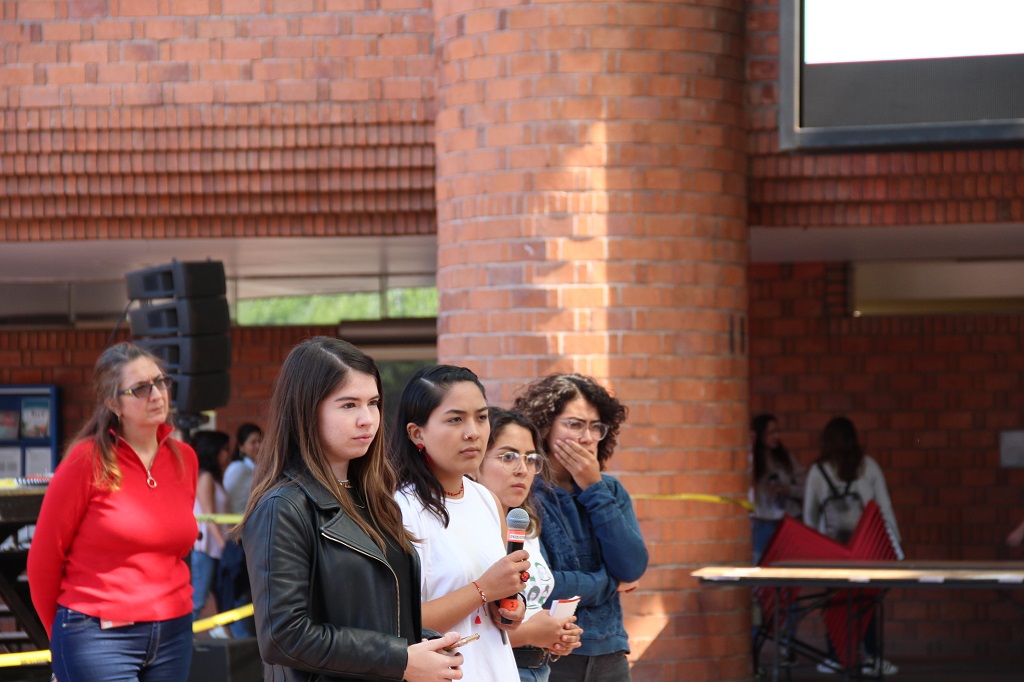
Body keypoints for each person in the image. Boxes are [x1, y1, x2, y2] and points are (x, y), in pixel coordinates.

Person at [236, 336, 464, 681]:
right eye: (348, 405)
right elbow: (284, 637)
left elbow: (373, 617)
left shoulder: (373, 496)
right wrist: (400, 658)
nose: (367, 419)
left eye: (373, 403)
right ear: (306, 411)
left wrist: (423, 645)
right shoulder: (283, 507)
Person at [27, 342, 197, 682]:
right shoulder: (86, 460)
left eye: (160, 382)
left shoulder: (185, 458)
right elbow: (43, 562)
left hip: (173, 632)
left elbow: (174, 549)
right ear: (113, 403)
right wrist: (59, 639)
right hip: (96, 635)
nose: (157, 395)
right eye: (140, 388)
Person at [390, 365, 529, 682]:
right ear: (417, 433)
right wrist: (483, 589)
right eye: (455, 419)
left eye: (481, 417)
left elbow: (495, 597)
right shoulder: (399, 509)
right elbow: (397, 624)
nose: (473, 432)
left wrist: (511, 607)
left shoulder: (487, 500)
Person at [512, 374, 647, 682]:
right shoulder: (523, 492)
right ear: (544, 427)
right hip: (549, 655)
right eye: (574, 424)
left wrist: (593, 487)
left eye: (596, 426)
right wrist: (609, 583)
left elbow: (631, 567)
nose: (587, 437)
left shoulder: (610, 490)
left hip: (610, 652)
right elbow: (543, 585)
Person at [472, 407, 584, 682]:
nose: (522, 470)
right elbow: (459, 625)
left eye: (531, 459)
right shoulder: (463, 529)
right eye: (508, 457)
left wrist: (556, 633)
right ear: (475, 461)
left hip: (537, 670)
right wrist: (530, 633)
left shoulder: (525, 524)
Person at [803, 416, 900, 676]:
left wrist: (813, 550)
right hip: (866, 548)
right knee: (866, 602)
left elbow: (809, 515)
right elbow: (884, 508)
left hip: (831, 550)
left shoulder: (818, 471)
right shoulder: (869, 467)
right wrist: (894, 545)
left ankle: (836, 656)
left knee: (834, 602)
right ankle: (871, 657)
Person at [218, 421, 262, 637]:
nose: (258, 446)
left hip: (250, 538)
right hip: (238, 539)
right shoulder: (238, 469)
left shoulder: (254, 468)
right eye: (253, 442)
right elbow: (230, 502)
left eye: (260, 441)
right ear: (242, 446)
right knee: (238, 590)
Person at [190, 430, 232, 632]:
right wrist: (225, 546)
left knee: (220, 598)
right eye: (224, 449)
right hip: (206, 547)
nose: (228, 454)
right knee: (198, 600)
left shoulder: (215, 477)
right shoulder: (205, 477)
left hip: (214, 547)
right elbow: (209, 516)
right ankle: (185, 643)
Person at [750, 413, 805, 564]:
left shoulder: (785, 457)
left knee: (789, 565)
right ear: (760, 435)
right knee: (761, 565)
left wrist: (789, 490)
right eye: (771, 432)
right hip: (763, 521)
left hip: (787, 520)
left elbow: (805, 488)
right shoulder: (753, 460)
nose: (776, 436)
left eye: (777, 432)